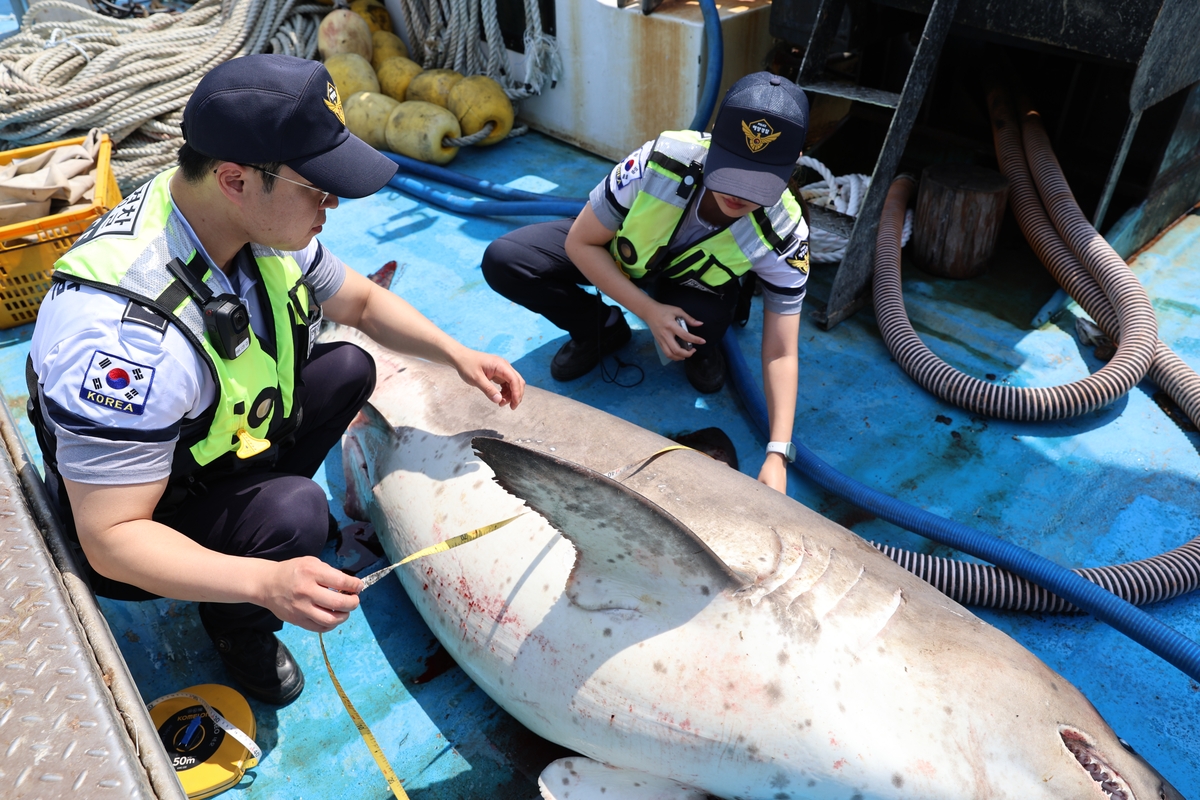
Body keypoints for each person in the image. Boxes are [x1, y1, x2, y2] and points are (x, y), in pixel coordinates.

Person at [26, 55, 525, 706]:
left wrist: (456, 353)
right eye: (317, 187)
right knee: (297, 515)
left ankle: (250, 534)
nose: (334, 203)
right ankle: (238, 625)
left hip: (201, 444)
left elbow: (362, 306)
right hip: (133, 514)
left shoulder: (244, 217)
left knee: (350, 365)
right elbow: (111, 541)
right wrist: (266, 585)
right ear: (236, 179)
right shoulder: (124, 345)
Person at [482, 72, 809, 494]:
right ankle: (600, 329)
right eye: (731, 169)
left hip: (694, 286)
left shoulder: (785, 231)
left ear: (794, 160)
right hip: (620, 257)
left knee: (705, 324)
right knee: (507, 260)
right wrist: (648, 312)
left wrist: (777, 453)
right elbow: (582, 243)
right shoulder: (662, 160)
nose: (739, 195)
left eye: (758, 180)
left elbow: (782, 350)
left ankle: (699, 345)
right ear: (714, 137)